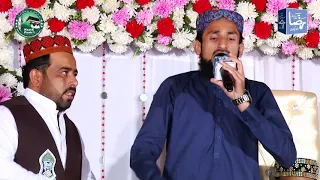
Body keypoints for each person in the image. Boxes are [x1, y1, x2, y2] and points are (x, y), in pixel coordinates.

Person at [130, 9, 297, 180]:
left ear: (240, 49)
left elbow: (288, 156)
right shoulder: (175, 88)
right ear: (198, 46)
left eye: (231, 39)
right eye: (214, 38)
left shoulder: (258, 92)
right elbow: (142, 151)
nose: (223, 45)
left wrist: (243, 103)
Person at [0, 35, 94, 179]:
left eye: (74, 74)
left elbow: (86, 176)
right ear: (36, 77)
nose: (74, 81)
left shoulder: (72, 129)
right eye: (64, 73)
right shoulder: (7, 115)